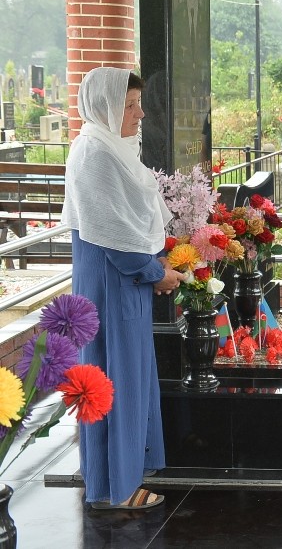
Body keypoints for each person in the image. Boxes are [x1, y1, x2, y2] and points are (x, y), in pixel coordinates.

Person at [63, 67, 186, 510]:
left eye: (137, 104)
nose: (140, 114)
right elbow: (116, 235)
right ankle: (121, 487)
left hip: (113, 282)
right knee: (117, 382)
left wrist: (153, 266)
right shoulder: (96, 153)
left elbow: (122, 227)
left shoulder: (103, 146)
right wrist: (158, 273)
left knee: (106, 381)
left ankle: (108, 482)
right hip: (112, 288)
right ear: (106, 107)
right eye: (130, 105)